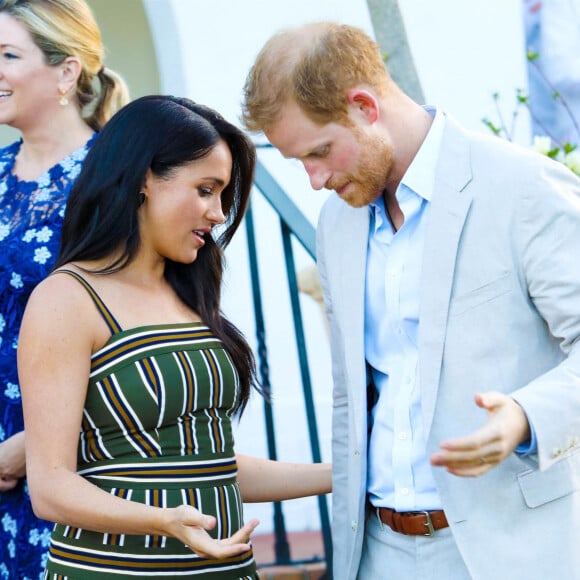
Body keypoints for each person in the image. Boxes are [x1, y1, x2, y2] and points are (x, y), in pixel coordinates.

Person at [242, 21, 580, 580]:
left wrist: (525, 416)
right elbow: (354, 400)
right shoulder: (336, 225)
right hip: (377, 551)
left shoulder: (521, 188)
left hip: (506, 551)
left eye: (320, 152)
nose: (315, 180)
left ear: (364, 106)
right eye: (298, 161)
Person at [18, 94, 331, 579]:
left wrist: (340, 475)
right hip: (118, 570)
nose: (219, 212)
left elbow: (211, 466)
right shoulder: (66, 299)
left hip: (224, 568)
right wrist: (165, 521)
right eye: (206, 189)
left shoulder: (189, 292)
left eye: (223, 193)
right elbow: (51, 487)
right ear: (145, 179)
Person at [0, 0, 129, 576]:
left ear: (67, 72)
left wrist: (28, 449)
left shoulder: (112, 180)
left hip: (74, 467)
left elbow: (136, 332)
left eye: (7, 55)